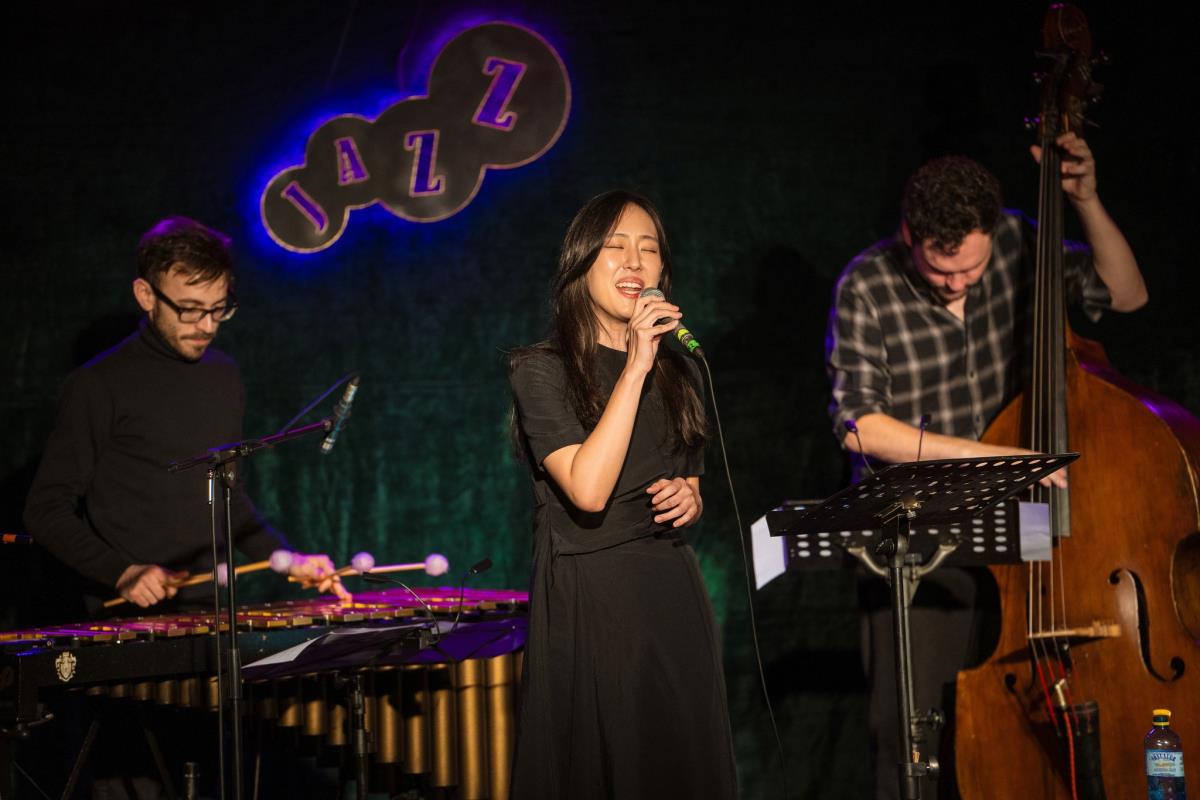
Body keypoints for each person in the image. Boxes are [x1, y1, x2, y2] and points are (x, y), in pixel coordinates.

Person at [825, 133, 1147, 798]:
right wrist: (998, 459)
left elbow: (1127, 295)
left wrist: (1086, 201)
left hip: (1022, 540)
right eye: (941, 269)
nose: (958, 284)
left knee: (1012, 726)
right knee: (911, 737)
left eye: (971, 268)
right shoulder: (868, 283)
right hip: (917, 544)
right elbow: (859, 427)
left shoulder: (1022, 243)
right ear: (910, 234)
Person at [507, 190, 738, 799]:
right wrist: (634, 367)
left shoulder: (679, 371)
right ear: (581, 263)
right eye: (616, 247)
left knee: (678, 764)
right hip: (593, 593)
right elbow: (588, 490)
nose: (635, 262)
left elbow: (689, 487)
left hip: (670, 586)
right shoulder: (540, 369)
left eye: (649, 249)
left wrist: (690, 500)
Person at [24, 216, 347, 612]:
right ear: (146, 295)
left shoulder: (223, 375)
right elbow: (45, 510)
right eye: (190, 310)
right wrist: (121, 572)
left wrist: (288, 559)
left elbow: (228, 499)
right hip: (128, 615)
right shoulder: (97, 384)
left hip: (213, 610)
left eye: (219, 309)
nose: (207, 326)